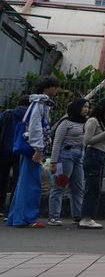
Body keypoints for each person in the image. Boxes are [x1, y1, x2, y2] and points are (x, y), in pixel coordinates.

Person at [6, 78, 56, 228]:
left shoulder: (38, 104)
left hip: (30, 148)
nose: (56, 90)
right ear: (47, 88)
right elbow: (35, 128)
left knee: (24, 182)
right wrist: (38, 149)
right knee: (31, 183)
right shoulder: (40, 105)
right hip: (34, 149)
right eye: (54, 87)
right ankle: (26, 218)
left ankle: (18, 216)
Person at [47, 98, 89, 226]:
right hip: (64, 155)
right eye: (84, 107)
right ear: (77, 108)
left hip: (79, 155)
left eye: (88, 107)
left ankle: (77, 215)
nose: (87, 109)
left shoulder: (86, 122)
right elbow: (57, 142)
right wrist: (54, 162)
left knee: (78, 186)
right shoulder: (65, 123)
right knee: (59, 184)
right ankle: (53, 216)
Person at [79, 98, 105, 229]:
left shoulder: (101, 122)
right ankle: (86, 217)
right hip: (93, 154)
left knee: (96, 187)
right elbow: (87, 140)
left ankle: (88, 216)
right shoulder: (93, 121)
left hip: (99, 154)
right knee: (92, 187)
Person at [0, 94, 30, 218]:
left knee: (2, 178)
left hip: (4, 149)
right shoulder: (30, 115)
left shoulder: (7, 114)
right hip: (21, 150)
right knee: (18, 179)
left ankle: (1, 206)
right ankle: (12, 209)